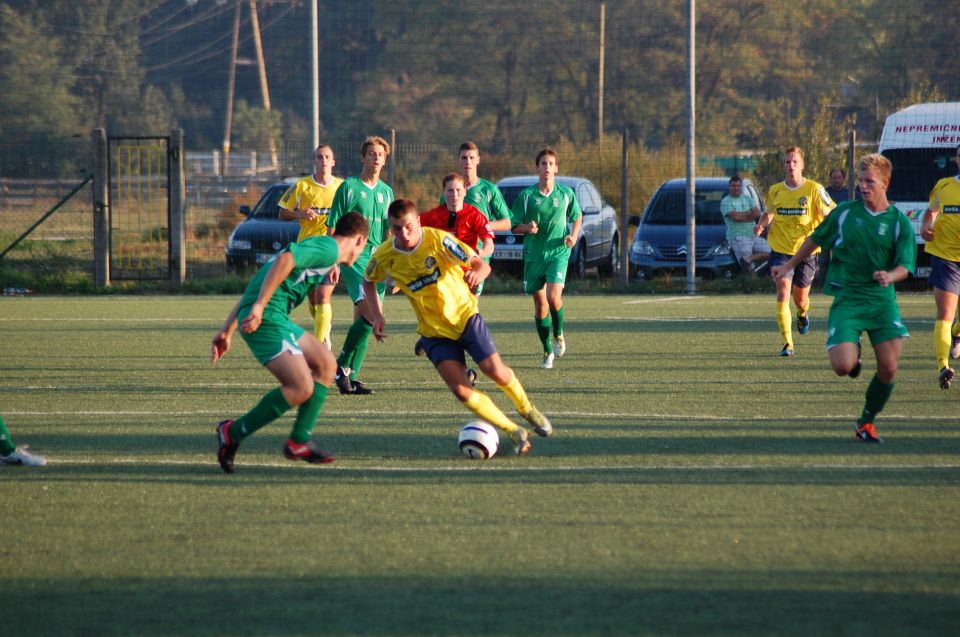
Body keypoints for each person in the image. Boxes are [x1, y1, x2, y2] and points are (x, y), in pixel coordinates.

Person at [362, 199, 553, 456]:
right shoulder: (385, 255)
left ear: (418, 222)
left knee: (494, 370)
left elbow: (481, 264)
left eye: (408, 226)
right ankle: (512, 430)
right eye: (396, 229)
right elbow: (368, 280)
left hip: (465, 316)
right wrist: (377, 315)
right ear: (390, 229)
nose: (403, 234)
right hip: (434, 333)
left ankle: (526, 408)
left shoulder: (439, 240)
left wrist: (478, 274)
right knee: (462, 391)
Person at [771, 153, 914, 443]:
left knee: (889, 368)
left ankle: (866, 423)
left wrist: (890, 276)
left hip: (882, 302)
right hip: (849, 298)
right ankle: (854, 350)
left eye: (869, 181)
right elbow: (815, 239)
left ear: (885, 183)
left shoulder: (899, 222)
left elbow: (906, 266)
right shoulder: (846, 213)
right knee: (842, 367)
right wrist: (788, 265)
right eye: (860, 180)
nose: (863, 186)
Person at [211, 212, 370, 473]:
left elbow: (259, 280)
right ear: (360, 240)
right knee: (301, 387)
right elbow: (286, 259)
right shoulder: (328, 248)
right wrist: (260, 307)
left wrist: (227, 329)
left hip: (274, 317)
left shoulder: (324, 252)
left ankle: (299, 441)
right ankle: (232, 432)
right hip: (267, 320)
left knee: (326, 365)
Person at [325, 136, 394, 395]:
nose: (376, 158)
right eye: (372, 154)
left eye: (380, 155)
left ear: (385, 160)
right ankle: (341, 367)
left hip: (378, 260)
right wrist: (332, 260)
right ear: (363, 157)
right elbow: (333, 225)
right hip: (353, 258)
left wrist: (393, 264)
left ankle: (351, 377)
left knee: (365, 320)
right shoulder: (349, 187)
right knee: (369, 314)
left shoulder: (387, 191)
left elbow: (390, 233)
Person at [756, 146, 836, 356]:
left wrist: (831, 231)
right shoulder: (776, 190)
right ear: (783, 165)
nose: (790, 166)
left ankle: (802, 313)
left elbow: (832, 214)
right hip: (781, 250)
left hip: (807, 251)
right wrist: (761, 225)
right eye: (787, 162)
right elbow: (769, 212)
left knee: (800, 299)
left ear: (802, 165)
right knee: (783, 292)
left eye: (794, 162)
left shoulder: (814, 189)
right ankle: (788, 344)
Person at [509, 147, 582, 369]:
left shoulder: (566, 194)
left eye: (551, 164)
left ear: (556, 168)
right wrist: (527, 228)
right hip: (534, 256)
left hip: (558, 252)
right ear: (537, 168)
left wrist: (573, 236)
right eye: (543, 164)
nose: (547, 168)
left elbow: (577, 216)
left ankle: (558, 333)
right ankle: (547, 351)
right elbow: (513, 227)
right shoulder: (527, 196)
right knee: (541, 307)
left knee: (553, 297)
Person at [277, 144, 344, 349]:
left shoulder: (343, 187)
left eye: (327, 157)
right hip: (305, 250)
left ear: (333, 162)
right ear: (314, 161)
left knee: (323, 296)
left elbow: (350, 217)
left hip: (330, 250)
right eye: (319, 157)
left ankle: (319, 344)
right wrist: (300, 214)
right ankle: (324, 327)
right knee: (314, 299)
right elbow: (281, 212)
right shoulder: (301, 186)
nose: (323, 160)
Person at [441, 141, 513, 294]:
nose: (468, 162)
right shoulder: (451, 190)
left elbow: (506, 223)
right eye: (464, 158)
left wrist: (482, 225)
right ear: (458, 160)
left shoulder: (489, 189)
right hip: (453, 254)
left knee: (470, 304)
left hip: (478, 254)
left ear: (478, 160)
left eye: (472, 158)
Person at [919, 143, 960, 389]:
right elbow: (930, 212)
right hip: (945, 257)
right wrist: (925, 227)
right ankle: (943, 366)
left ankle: (957, 333)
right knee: (945, 312)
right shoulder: (945, 186)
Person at [720, 175, 770, 273]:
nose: (736, 188)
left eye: (738, 186)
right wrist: (748, 213)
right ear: (729, 187)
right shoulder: (726, 202)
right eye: (733, 186)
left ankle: (749, 258)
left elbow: (757, 213)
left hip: (753, 235)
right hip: (738, 237)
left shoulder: (747, 198)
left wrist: (743, 216)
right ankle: (752, 284)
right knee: (749, 268)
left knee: (772, 252)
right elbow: (737, 218)